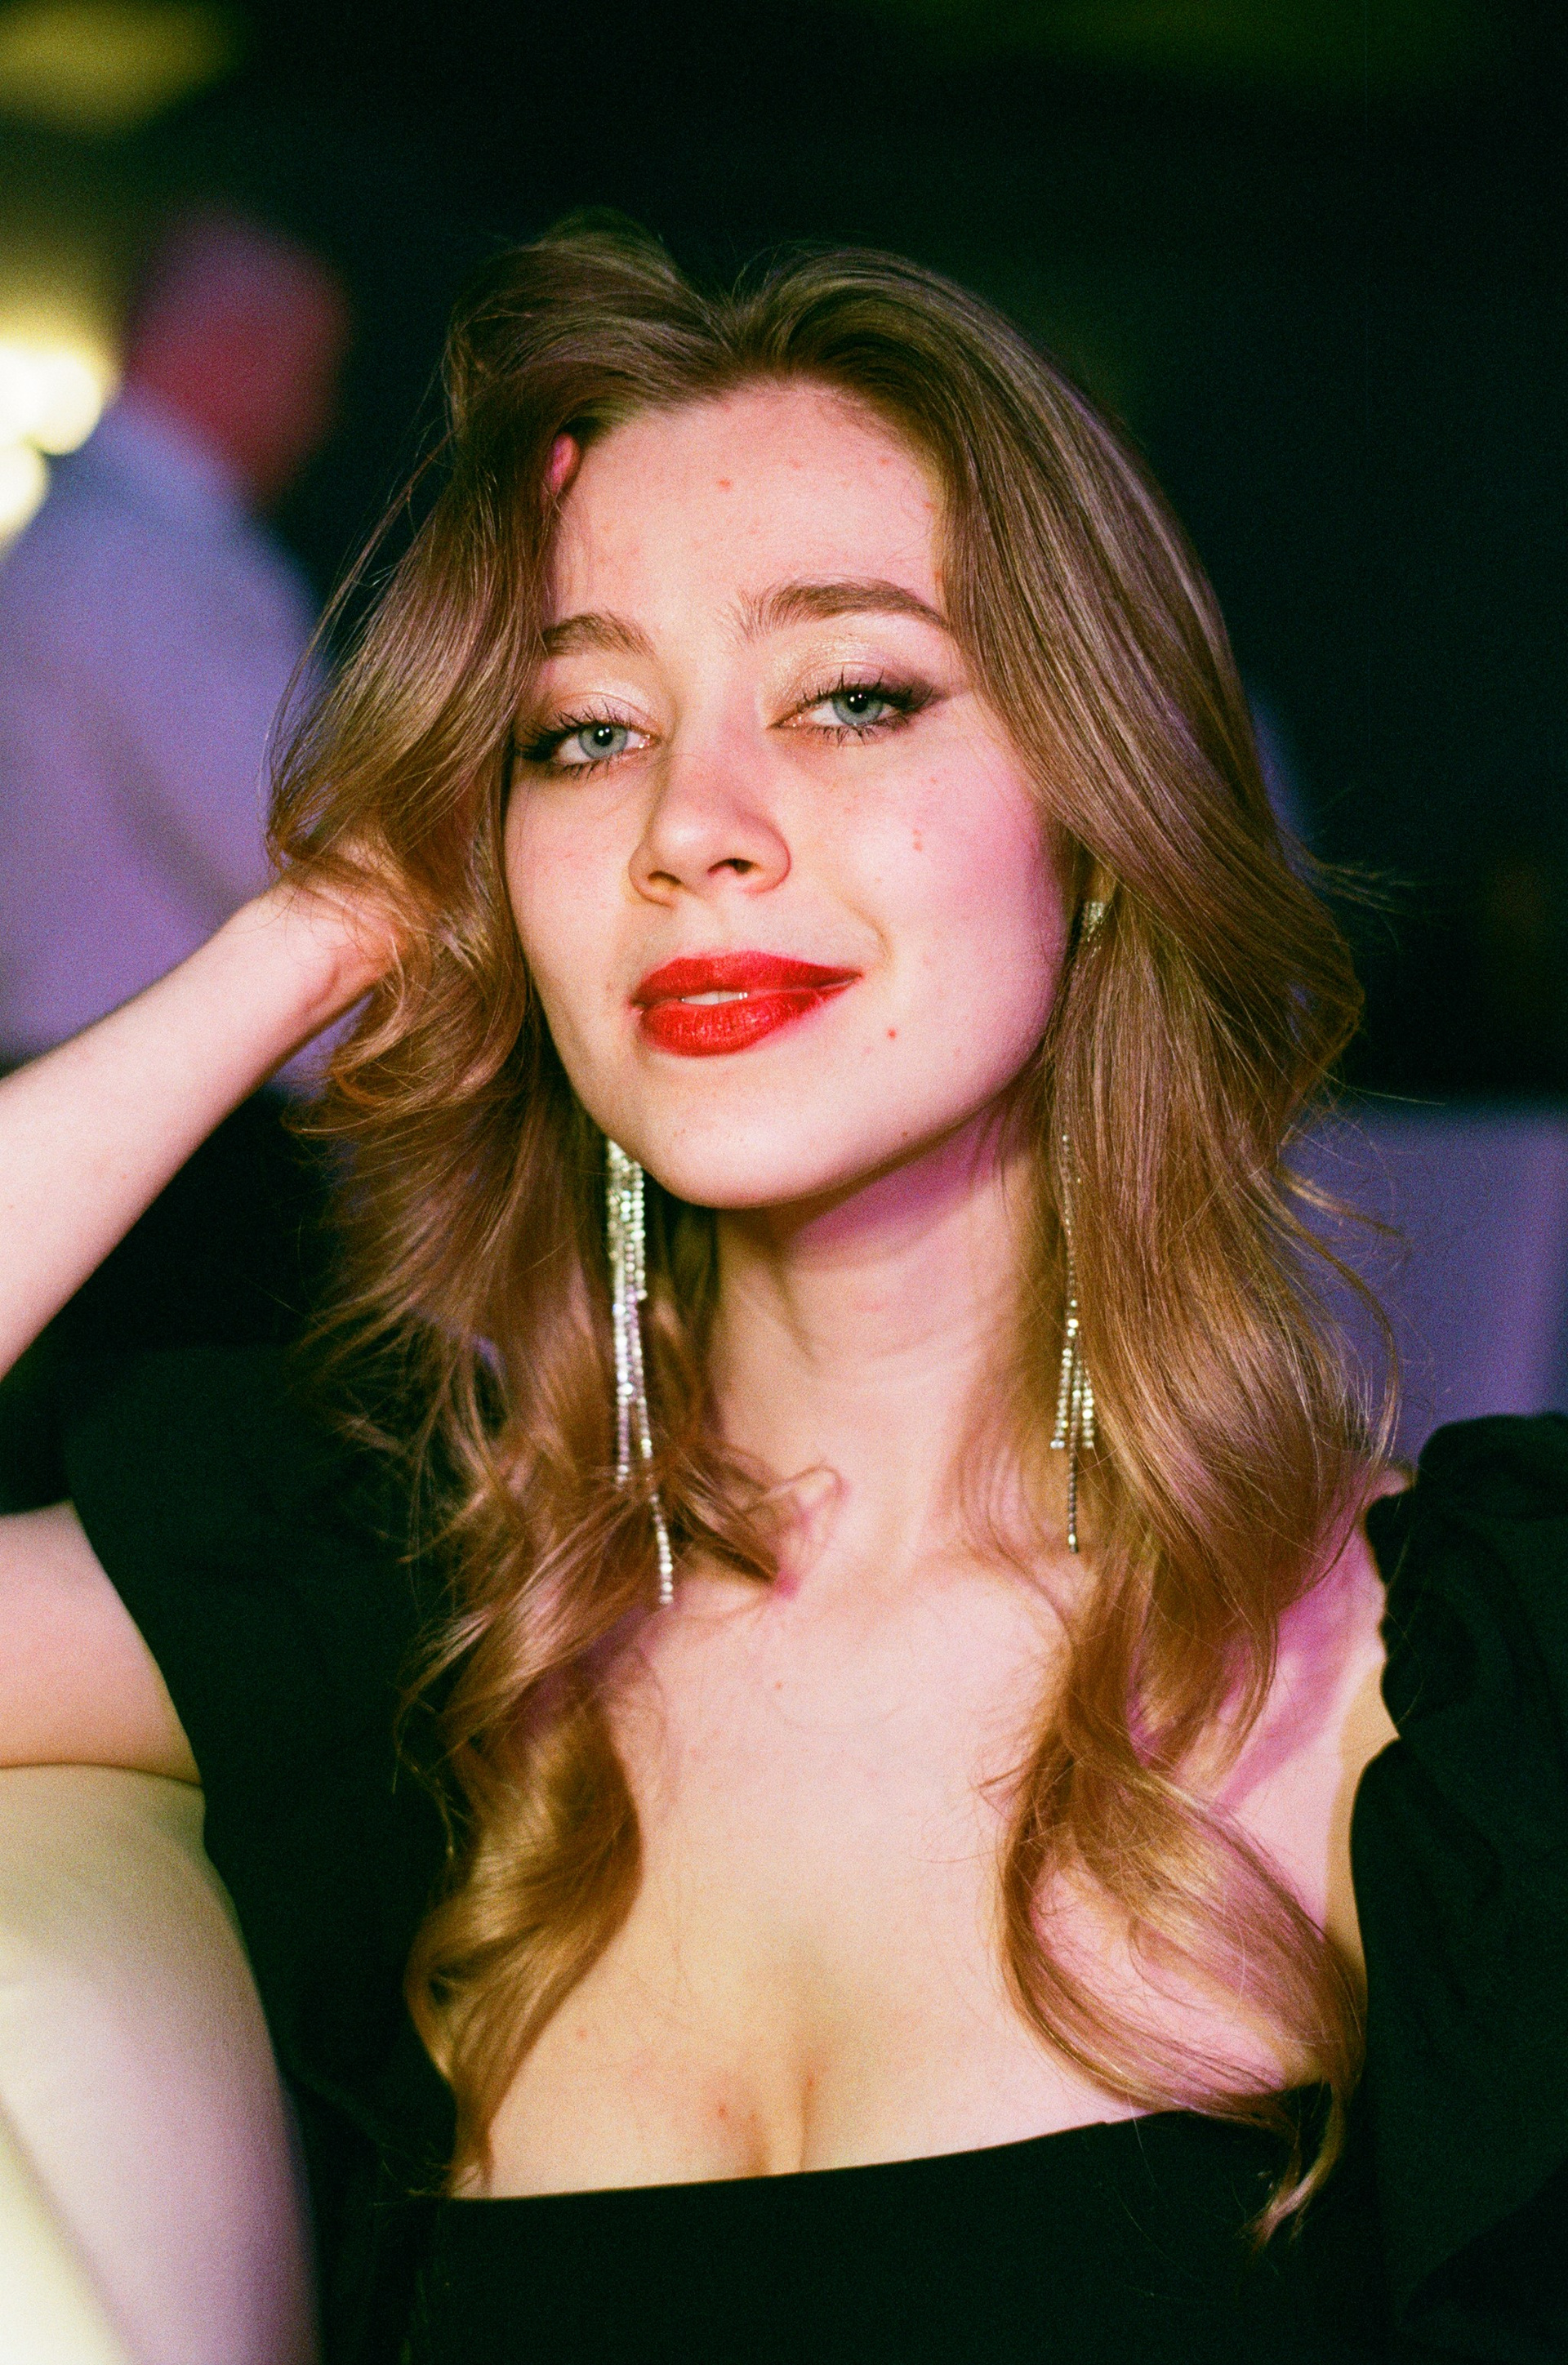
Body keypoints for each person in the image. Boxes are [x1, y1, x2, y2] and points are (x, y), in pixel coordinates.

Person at [0, 223, 1562, 2363]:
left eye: (856, 694)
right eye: (580, 733)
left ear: (1099, 808)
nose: (692, 827)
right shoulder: (411, 1598)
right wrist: (316, 928)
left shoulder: (1458, 1683)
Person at [0, 210, 350, 1374]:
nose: (318, 414)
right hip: (171, 1132)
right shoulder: (148, 558)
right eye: (307, 368)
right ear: (228, 345)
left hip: (101, 1101)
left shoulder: (79, 535)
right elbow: (300, 841)